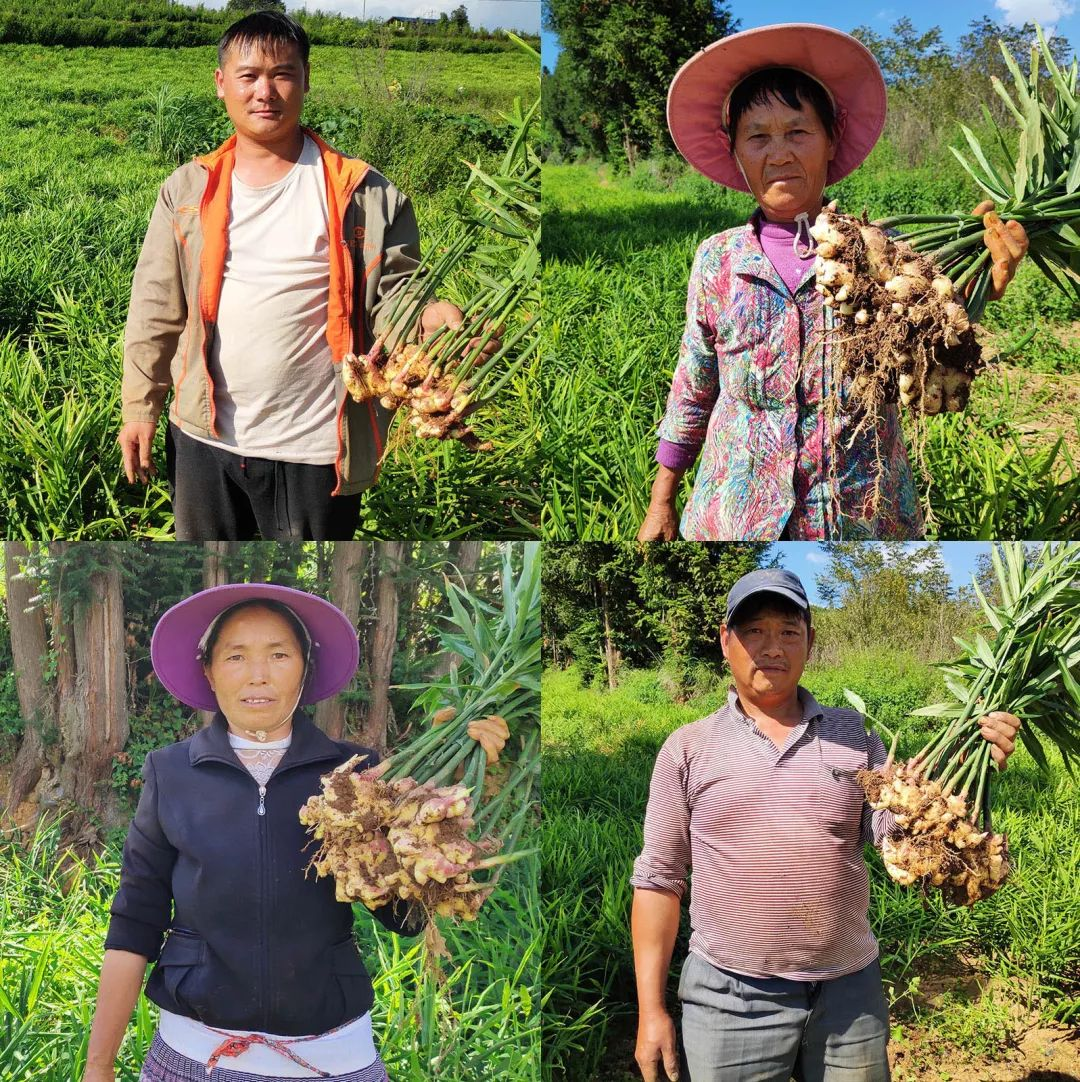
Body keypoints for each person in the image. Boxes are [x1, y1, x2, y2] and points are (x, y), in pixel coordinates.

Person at [636, 24, 1029, 541]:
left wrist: (984, 278)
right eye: (758, 136)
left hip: (863, 517)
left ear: (830, 141)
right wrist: (661, 502)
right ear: (734, 150)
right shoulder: (719, 260)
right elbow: (693, 387)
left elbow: (932, 340)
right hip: (734, 516)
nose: (779, 153)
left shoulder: (887, 253)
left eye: (798, 132)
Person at [118, 11, 497, 541]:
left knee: (314, 579)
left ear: (306, 80)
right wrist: (140, 405)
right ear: (222, 84)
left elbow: (396, 291)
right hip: (204, 438)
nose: (264, 92)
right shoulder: (187, 190)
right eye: (248, 76)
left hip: (314, 448)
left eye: (283, 74)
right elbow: (156, 307)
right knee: (211, 575)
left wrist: (427, 318)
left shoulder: (365, 193)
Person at [630, 568, 1021, 1082]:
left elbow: (898, 833)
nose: (772, 647)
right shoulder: (689, 747)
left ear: (811, 642)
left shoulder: (853, 733)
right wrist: (651, 1012)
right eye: (754, 631)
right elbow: (658, 880)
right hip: (731, 998)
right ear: (725, 641)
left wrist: (969, 762)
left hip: (848, 994)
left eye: (789, 631)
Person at [82, 583, 422, 1082]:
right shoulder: (171, 772)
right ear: (210, 671)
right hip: (193, 1058)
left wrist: (445, 777)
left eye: (279, 654)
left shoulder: (356, 776)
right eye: (236, 656)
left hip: (334, 1061)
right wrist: (99, 1065)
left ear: (305, 667)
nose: (258, 675)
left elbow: (407, 919)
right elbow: (135, 920)